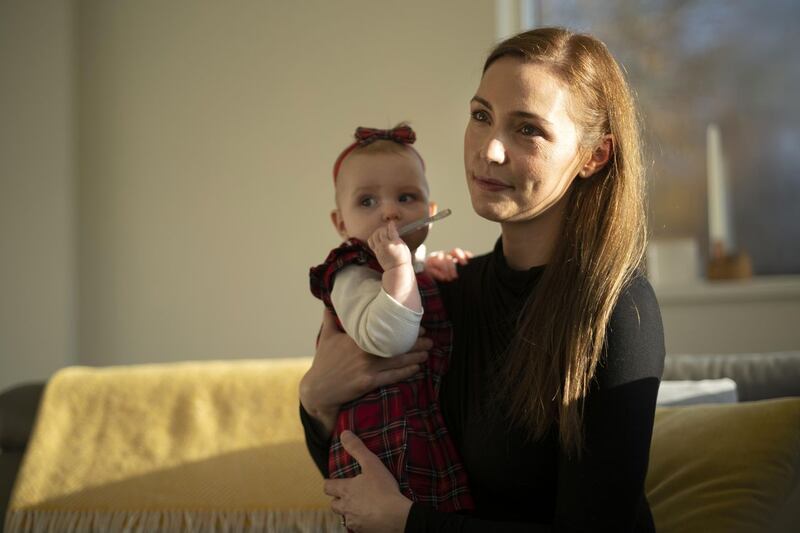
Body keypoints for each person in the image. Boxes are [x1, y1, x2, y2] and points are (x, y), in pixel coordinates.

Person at [300, 27, 665, 532]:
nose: (489, 150)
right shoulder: (439, 291)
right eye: (481, 116)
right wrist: (317, 402)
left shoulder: (619, 308)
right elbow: (367, 481)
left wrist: (408, 522)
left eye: (528, 130)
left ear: (593, 156)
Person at [308, 124, 474, 514]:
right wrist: (401, 267)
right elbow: (390, 337)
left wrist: (432, 265)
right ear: (341, 223)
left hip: (423, 437)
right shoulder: (350, 272)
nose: (389, 211)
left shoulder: (412, 269)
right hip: (379, 448)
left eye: (406, 197)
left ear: (431, 215)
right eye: (367, 202)